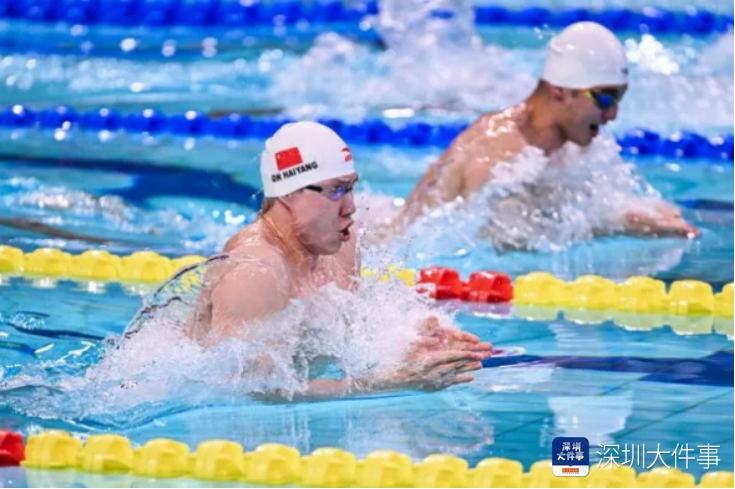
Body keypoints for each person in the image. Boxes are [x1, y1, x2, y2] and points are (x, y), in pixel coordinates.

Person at [185, 121, 492, 400]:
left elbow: (345, 334)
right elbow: (249, 393)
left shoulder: (342, 245)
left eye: (350, 188)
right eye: (335, 191)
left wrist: (414, 338)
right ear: (288, 193)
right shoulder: (255, 274)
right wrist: (389, 382)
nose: (350, 207)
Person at [390, 21, 700, 242]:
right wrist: (624, 224)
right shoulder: (498, 152)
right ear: (561, 91)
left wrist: (645, 212)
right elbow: (505, 240)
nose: (612, 114)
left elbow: (577, 203)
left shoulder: (566, 140)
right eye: (605, 98)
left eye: (619, 99)